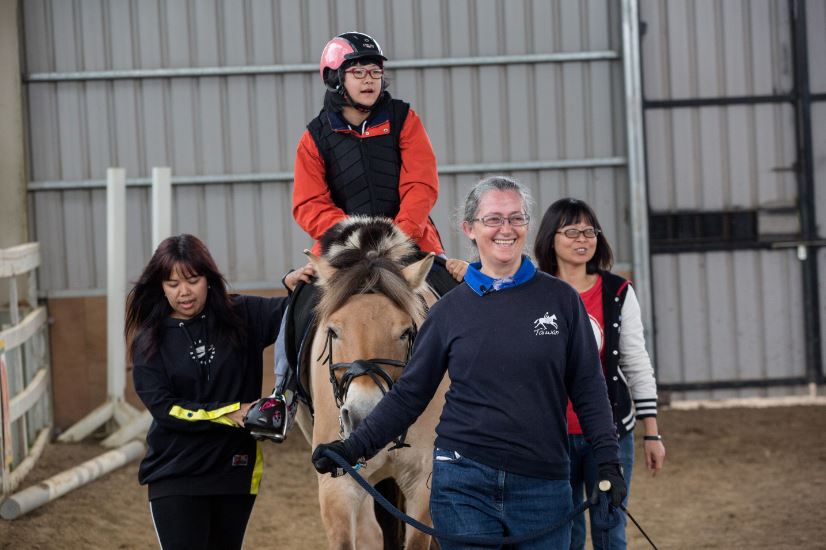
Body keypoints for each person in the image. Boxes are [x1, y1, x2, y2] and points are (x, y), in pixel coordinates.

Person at [311, 176, 626, 550]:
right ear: (470, 229)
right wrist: (353, 448)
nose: (505, 229)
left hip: (543, 483)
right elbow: (410, 393)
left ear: (527, 225)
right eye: (493, 219)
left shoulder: (560, 300)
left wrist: (608, 459)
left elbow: (589, 387)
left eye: (515, 218)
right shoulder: (446, 312)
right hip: (463, 484)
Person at [245, 31, 463, 444]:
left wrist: (401, 230)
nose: (369, 80)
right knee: (301, 302)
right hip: (345, 248)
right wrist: (349, 234)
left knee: (455, 295)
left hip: (407, 240)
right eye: (358, 72)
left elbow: (421, 183)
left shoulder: (404, 119)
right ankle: (282, 394)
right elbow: (308, 201)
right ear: (335, 78)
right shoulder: (315, 136)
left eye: (375, 72)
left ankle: (477, 386)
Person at [126, 234, 304, 550]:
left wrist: (295, 284)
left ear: (208, 278)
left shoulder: (244, 314)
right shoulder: (149, 341)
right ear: (160, 288)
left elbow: (299, 315)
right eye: (172, 284)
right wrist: (231, 412)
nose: (183, 292)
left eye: (192, 280)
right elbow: (165, 409)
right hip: (175, 473)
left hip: (235, 470)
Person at [533, 198, 666, 550]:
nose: (583, 239)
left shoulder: (618, 292)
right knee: (565, 534)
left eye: (589, 231)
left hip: (609, 434)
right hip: (551, 436)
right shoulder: (533, 291)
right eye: (572, 231)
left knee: (610, 529)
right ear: (551, 239)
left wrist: (652, 433)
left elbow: (636, 363)